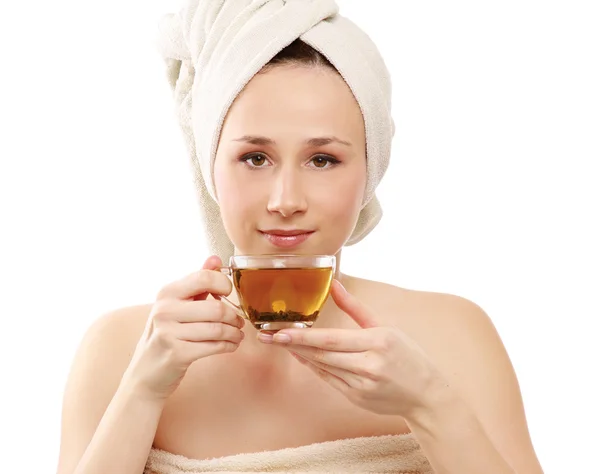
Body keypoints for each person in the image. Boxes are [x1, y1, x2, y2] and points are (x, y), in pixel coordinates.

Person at [56, 1, 544, 473]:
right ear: (210, 168)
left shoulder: (453, 335)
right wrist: (142, 391)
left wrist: (431, 406)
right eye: (255, 158)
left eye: (323, 159)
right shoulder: (120, 348)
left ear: (370, 170)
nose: (285, 200)